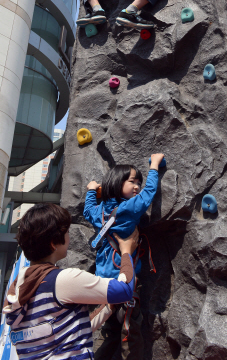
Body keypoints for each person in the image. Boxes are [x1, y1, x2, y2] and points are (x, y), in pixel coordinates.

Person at [3, 203, 138, 360]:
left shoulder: (19, 287)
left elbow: (66, 329)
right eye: (66, 232)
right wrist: (127, 252)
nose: (69, 237)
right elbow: (124, 290)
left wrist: (108, 308)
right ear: (53, 243)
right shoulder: (63, 280)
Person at [83, 153, 165, 360]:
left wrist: (92, 190)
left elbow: (87, 211)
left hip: (102, 283)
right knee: (131, 327)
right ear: (117, 183)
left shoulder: (101, 212)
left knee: (109, 330)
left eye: (139, 182)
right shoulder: (129, 208)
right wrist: (154, 166)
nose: (137, 186)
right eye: (132, 182)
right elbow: (149, 193)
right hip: (124, 279)